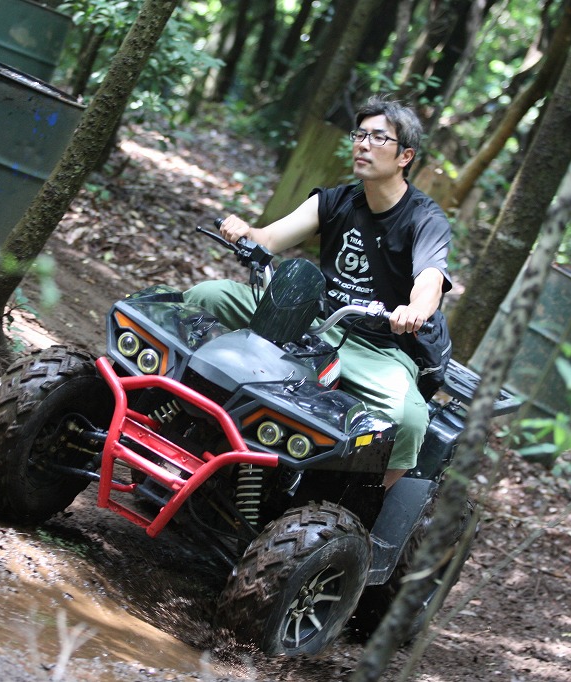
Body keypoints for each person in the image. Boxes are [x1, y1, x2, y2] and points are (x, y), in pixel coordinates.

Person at [185, 96, 452, 489]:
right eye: (359, 135)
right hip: (309, 319)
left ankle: (361, 508)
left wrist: (415, 310)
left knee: (409, 421)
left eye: (378, 138)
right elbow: (268, 238)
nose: (363, 145)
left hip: (375, 345)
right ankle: (185, 416)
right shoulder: (335, 200)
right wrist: (245, 232)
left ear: (405, 156)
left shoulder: (424, 218)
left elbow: (430, 279)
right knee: (207, 296)